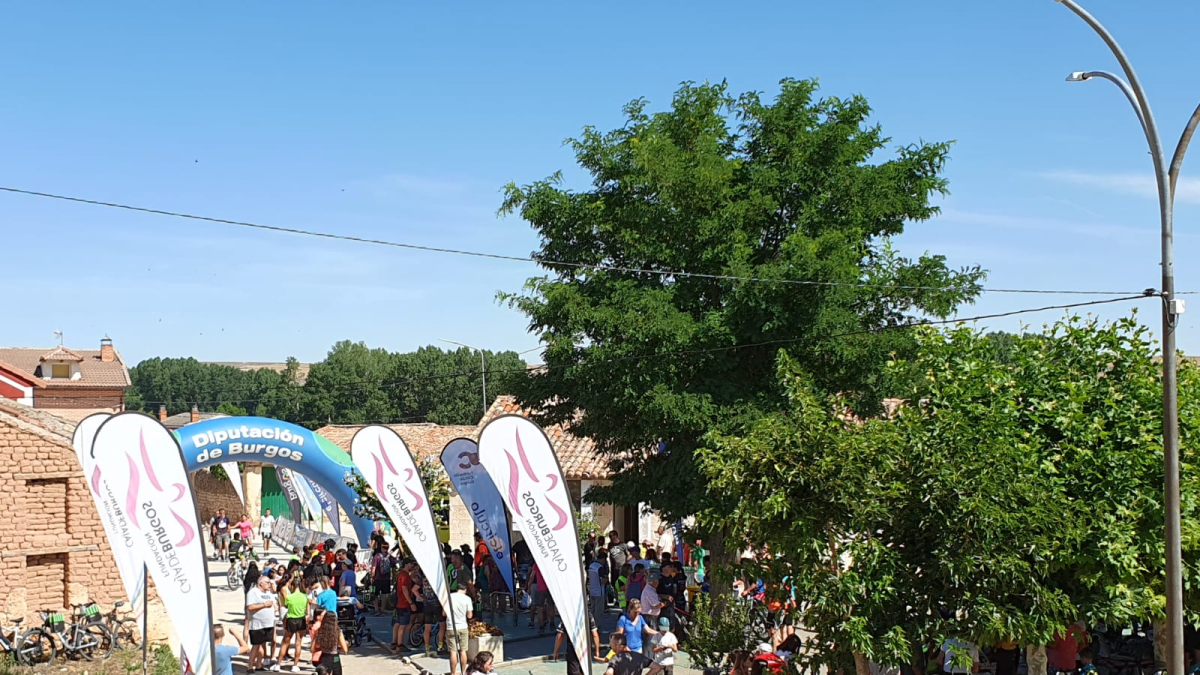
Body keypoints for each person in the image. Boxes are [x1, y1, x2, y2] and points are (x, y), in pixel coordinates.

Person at [246, 575, 279, 673]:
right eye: (268, 583)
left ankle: (259, 664)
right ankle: (250, 666)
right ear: (261, 583)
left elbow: (273, 602)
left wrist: (275, 606)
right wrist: (264, 605)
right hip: (257, 625)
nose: (270, 584)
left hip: (268, 624)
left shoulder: (268, 592)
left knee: (263, 644)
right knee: (256, 645)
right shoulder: (253, 592)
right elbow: (250, 607)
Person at [279, 577, 308, 673]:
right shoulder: (305, 596)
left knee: (285, 642)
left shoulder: (289, 597)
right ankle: (295, 665)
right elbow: (307, 611)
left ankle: (278, 664)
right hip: (301, 619)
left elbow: (287, 605)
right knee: (298, 643)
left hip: (291, 619)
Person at [448, 583, 474, 675]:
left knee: (453, 651)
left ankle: (453, 673)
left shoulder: (449, 597)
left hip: (451, 626)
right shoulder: (467, 599)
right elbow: (470, 615)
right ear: (465, 590)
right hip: (463, 626)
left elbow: (444, 613)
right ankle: (463, 671)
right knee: (463, 651)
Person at [391, 559, 416, 653]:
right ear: (406, 564)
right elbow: (404, 589)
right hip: (404, 602)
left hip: (398, 602)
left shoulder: (400, 574)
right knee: (403, 624)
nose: (412, 566)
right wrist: (411, 603)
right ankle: (400, 644)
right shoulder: (405, 576)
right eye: (411, 564)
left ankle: (394, 642)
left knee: (397, 623)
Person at [588, 552, 608, 659]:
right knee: (598, 613)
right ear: (603, 559)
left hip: (592, 591)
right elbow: (603, 581)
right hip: (600, 592)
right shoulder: (600, 567)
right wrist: (607, 580)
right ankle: (596, 629)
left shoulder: (591, 565)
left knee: (592, 610)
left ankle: (591, 626)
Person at [371, 545, 393, 615]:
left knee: (375, 594)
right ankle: (383, 609)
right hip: (386, 579)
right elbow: (394, 566)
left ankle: (376, 609)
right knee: (384, 595)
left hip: (377, 578)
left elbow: (374, 567)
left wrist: (372, 576)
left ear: (381, 548)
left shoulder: (377, 556)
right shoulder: (390, 557)